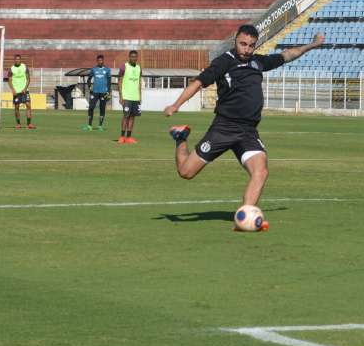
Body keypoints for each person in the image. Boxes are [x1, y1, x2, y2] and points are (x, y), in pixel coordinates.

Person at [164, 24, 325, 226]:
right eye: (243, 44)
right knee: (186, 172)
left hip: (248, 131)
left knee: (261, 171)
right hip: (224, 127)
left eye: (251, 45)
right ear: (235, 41)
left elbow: (287, 55)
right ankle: (181, 138)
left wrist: (312, 45)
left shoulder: (257, 62)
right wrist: (176, 105)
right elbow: (198, 82)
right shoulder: (224, 62)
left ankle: (245, 217)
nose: (247, 49)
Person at [117, 50, 141, 144]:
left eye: (135, 57)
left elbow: (139, 83)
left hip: (135, 97)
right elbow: (120, 81)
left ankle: (129, 137)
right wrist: (121, 96)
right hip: (126, 96)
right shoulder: (124, 66)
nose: (134, 58)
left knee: (132, 117)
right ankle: (122, 136)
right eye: (132, 57)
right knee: (126, 116)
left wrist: (140, 96)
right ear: (129, 57)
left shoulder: (139, 68)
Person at [84, 54, 112, 131]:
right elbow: (88, 80)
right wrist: (90, 87)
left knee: (102, 108)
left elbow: (109, 82)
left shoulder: (107, 70)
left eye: (101, 60)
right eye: (99, 60)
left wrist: (109, 92)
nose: (100, 62)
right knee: (91, 107)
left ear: (103, 61)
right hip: (95, 92)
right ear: (97, 61)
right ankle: (89, 126)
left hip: (103, 92)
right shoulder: (94, 69)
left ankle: (100, 126)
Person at [8, 54, 35, 129]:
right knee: (17, 107)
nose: (17, 60)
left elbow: (28, 79)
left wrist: (25, 88)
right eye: (16, 59)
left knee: (28, 105)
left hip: (25, 91)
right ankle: (18, 124)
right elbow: (9, 81)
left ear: (20, 60)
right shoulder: (11, 69)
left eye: (18, 59)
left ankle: (29, 124)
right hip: (16, 91)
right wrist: (13, 90)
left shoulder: (24, 67)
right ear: (14, 60)